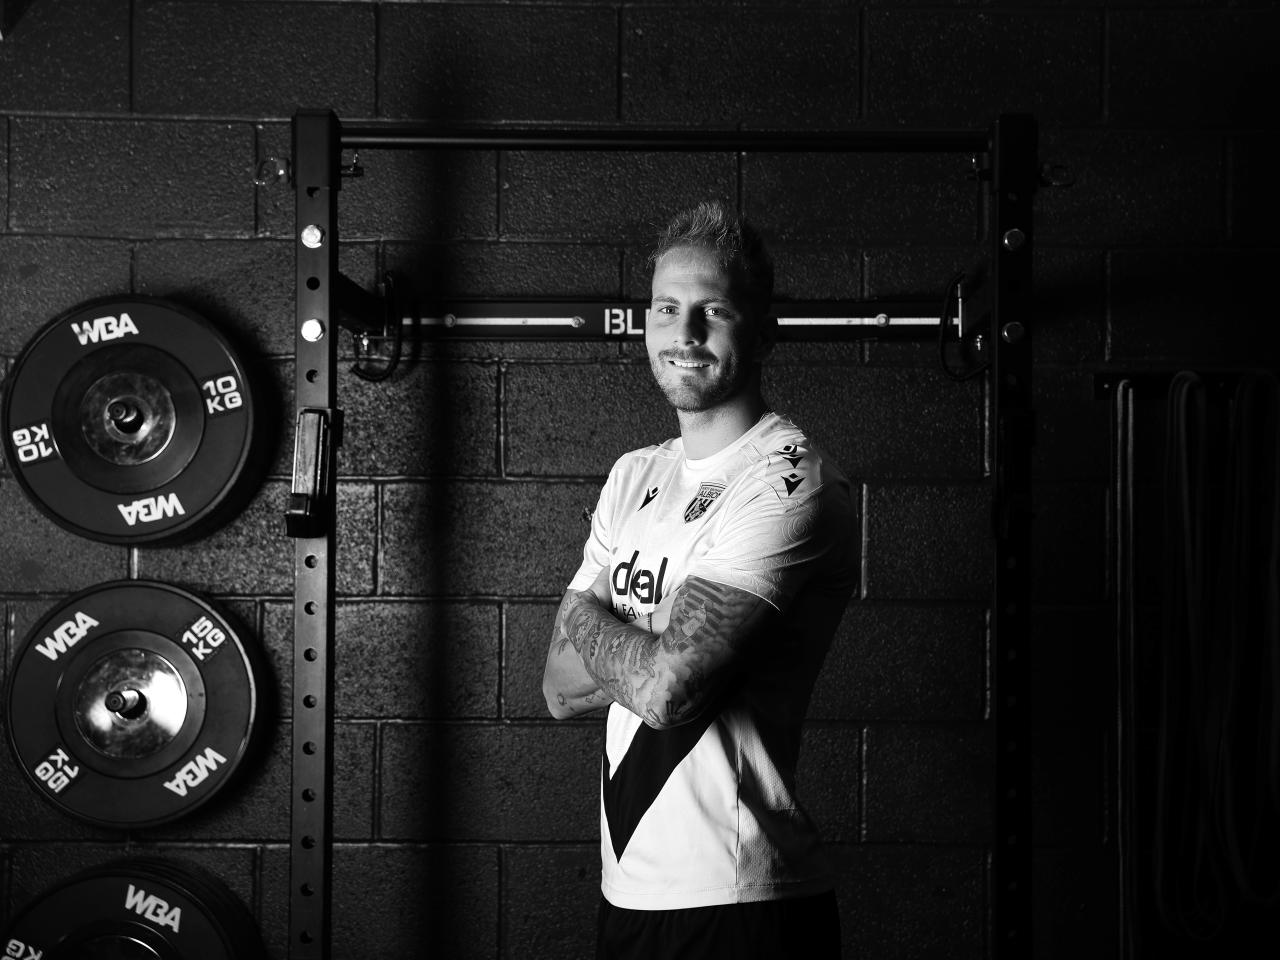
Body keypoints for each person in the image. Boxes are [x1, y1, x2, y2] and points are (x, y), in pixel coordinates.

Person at [542, 200, 857, 959]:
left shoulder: (788, 480)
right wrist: (650, 639)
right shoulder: (635, 475)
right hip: (629, 892)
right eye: (665, 309)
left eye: (712, 310)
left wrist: (589, 609)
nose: (683, 336)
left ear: (762, 328)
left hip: (741, 900)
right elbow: (555, 688)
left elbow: (665, 692)